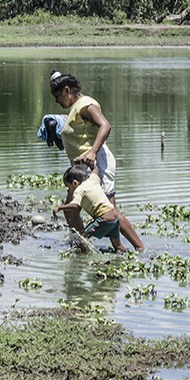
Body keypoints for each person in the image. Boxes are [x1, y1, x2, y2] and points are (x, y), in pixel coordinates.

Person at [48, 70, 146, 251]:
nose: (57, 101)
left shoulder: (86, 105)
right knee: (71, 210)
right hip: (81, 170)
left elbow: (105, 125)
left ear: (67, 90)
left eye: (57, 96)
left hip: (96, 164)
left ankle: (140, 249)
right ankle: (83, 248)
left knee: (111, 212)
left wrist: (92, 152)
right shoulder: (77, 107)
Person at [52, 162, 126, 252]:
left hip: (104, 218)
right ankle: (127, 257)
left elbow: (75, 205)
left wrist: (60, 208)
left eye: (68, 187)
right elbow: (95, 169)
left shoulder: (79, 190)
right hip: (114, 216)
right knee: (117, 245)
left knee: (82, 238)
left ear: (75, 183)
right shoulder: (92, 180)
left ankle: (84, 259)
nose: (68, 190)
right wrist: (90, 163)